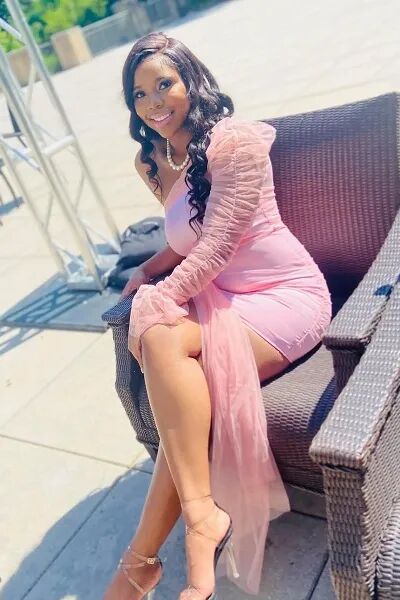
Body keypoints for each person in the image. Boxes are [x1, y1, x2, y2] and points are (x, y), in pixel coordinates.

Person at [104, 31, 332, 600]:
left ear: (192, 79)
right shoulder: (153, 161)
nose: (154, 102)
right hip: (223, 297)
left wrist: (161, 298)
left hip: (285, 297)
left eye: (164, 84)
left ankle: (140, 566)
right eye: (139, 94)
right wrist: (147, 270)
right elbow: (186, 235)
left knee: (166, 345)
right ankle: (196, 527)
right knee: (173, 368)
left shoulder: (236, 142)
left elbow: (218, 243)